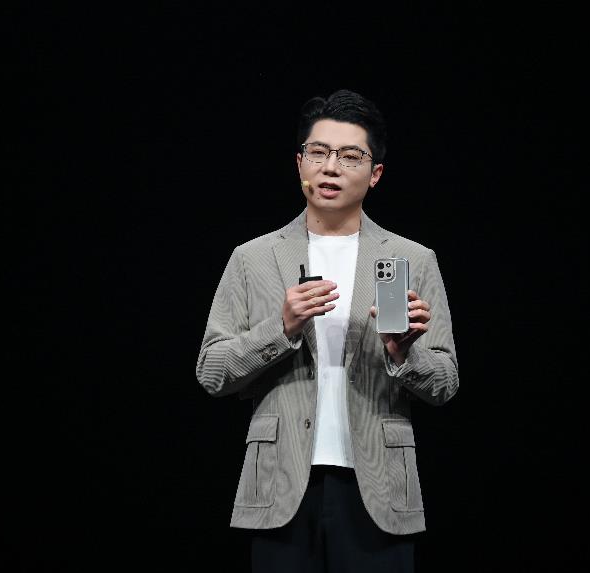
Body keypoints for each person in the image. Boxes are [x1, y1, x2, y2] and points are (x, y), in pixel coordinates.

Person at [195, 89, 459, 572]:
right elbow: (211, 372)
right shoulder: (253, 258)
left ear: (375, 173)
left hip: (378, 483)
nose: (331, 167)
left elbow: (445, 383)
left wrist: (403, 354)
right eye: (318, 152)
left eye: (350, 156)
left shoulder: (413, 259)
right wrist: (282, 328)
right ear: (300, 163)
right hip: (280, 484)